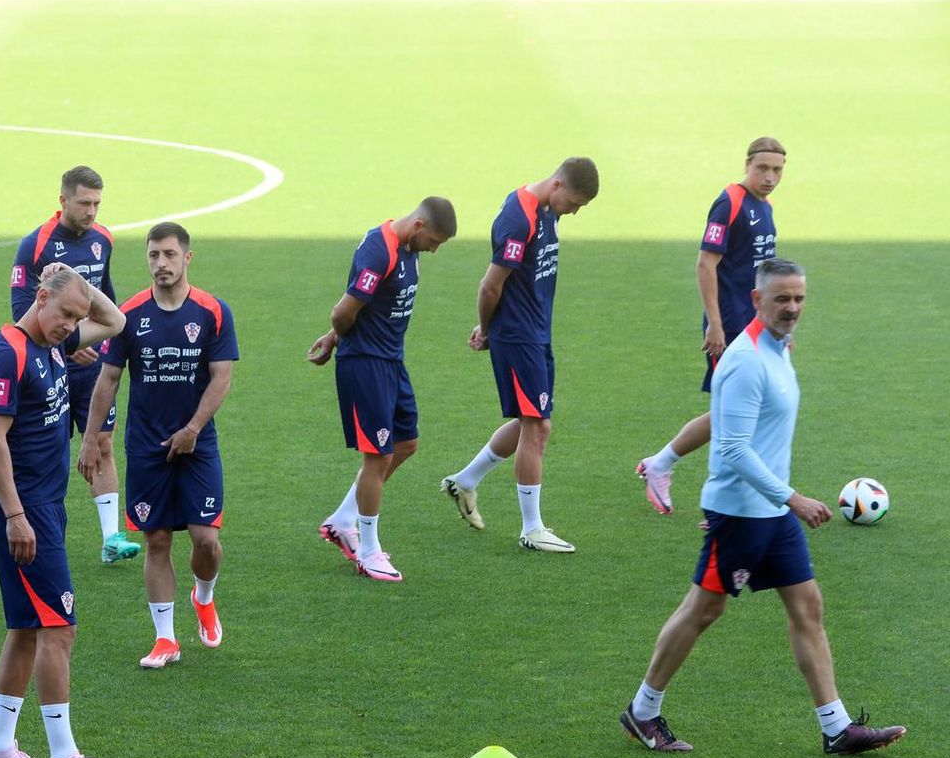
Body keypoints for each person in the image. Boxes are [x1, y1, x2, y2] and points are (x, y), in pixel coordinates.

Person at [619, 259, 906, 755]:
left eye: (799, 298)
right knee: (703, 610)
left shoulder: (776, 347)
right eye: (781, 299)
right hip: (740, 514)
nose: (792, 308)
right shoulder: (746, 362)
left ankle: (837, 728)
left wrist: (781, 502)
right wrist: (792, 498)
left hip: (770, 513)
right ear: (757, 300)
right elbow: (732, 448)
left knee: (807, 607)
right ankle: (643, 711)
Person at [0, 264, 130, 758]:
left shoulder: (53, 343)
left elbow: (114, 322)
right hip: (26, 512)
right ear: (39, 298)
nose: (71, 325)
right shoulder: (10, 354)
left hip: (44, 507)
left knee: (25, 628)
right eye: (64, 313)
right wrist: (16, 515)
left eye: (75, 317)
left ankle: (1, 750)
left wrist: (79, 287)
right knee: (58, 629)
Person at [80, 222, 239, 668]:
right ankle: (165, 638)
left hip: (197, 444)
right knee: (157, 540)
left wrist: (193, 428)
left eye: (169, 254)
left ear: (187, 257)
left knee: (206, 541)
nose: (161, 263)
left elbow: (221, 377)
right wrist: (91, 438)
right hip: (147, 447)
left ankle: (203, 596)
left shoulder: (212, 311)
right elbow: (108, 380)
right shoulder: (129, 315)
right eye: (153, 255)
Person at [440, 158, 599, 553]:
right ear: (558, 184)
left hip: (536, 331)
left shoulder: (546, 209)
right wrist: (487, 328)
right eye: (574, 203)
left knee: (534, 422)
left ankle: (465, 480)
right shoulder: (519, 218)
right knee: (536, 425)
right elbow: (490, 286)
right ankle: (532, 529)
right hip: (518, 336)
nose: (573, 212)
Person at [308, 198, 457, 583]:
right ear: (419, 225)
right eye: (435, 241)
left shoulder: (407, 247)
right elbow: (343, 312)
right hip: (366, 365)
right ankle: (369, 551)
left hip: (391, 362)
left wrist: (333, 337)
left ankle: (343, 519)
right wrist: (337, 338)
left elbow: (365, 306)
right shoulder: (379, 250)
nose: (434, 250)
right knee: (378, 456)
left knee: (406, 444)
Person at [637, 137, 786, 514]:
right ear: (747, 165)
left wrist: (778, 331)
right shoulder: (730, 202)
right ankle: (712, 498)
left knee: (739, 412)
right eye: (762, 168)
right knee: (733, 415)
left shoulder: (765, 207)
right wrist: (715, 325)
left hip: (756, 328)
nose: (769, 177)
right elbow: (706, 264)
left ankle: (663, 466)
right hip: (730, 327)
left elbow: (762, 275)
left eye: (777, 170)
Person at [10, 165, 139, 564]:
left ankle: (111, 538)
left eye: (97, 203)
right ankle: (33, 524)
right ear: (63, 200)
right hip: (53, 365)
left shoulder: (103, 239)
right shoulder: (35, 245)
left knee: (101, 441)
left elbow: (107, 298)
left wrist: (104, 342)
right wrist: (67, 344)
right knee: (49, 447)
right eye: (84, 203)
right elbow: (21, 312)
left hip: (95, 367)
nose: (92, 211)